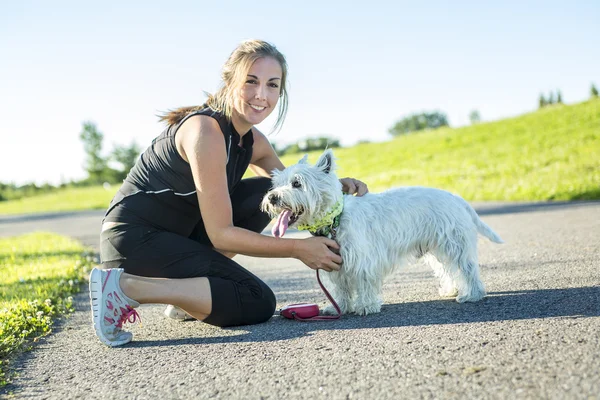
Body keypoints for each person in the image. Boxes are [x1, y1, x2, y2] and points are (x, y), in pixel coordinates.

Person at [89, 39, 369, 347]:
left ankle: (186, 296)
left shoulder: (254, 141)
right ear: (229, 81)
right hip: (135, 241)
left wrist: (334, 184)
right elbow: (221, 234)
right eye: (251, 81)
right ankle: (124, 287)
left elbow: (292, 187)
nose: (262, 95)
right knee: (256, 300)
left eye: (272, 85)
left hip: (174, 238)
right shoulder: (205, 132)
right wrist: (298, 248)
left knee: (269, 189)